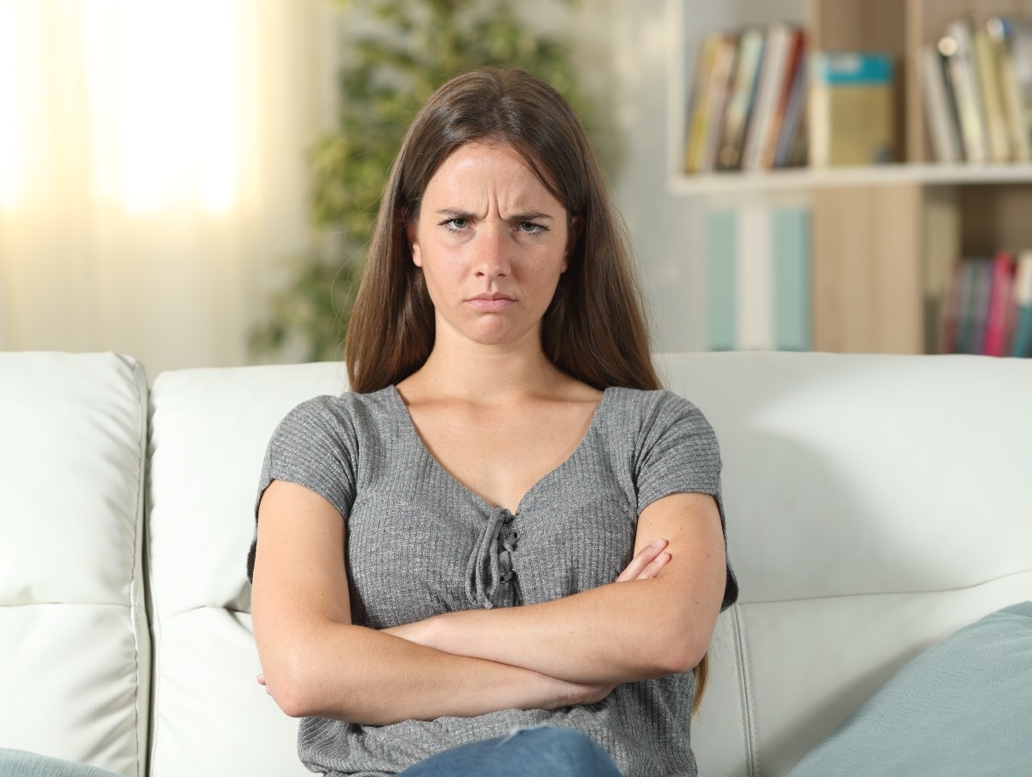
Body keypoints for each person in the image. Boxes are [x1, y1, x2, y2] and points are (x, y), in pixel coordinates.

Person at [248, 67, 738, 777]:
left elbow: (669, 629)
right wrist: (565, 672)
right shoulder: (331, 438)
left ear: (572, 242)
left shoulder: (658, 432)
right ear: (411, 237)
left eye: (528, 226)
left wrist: (435, 636)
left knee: (564, 762)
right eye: (458, 224)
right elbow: (301, 670)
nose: (491, 262)